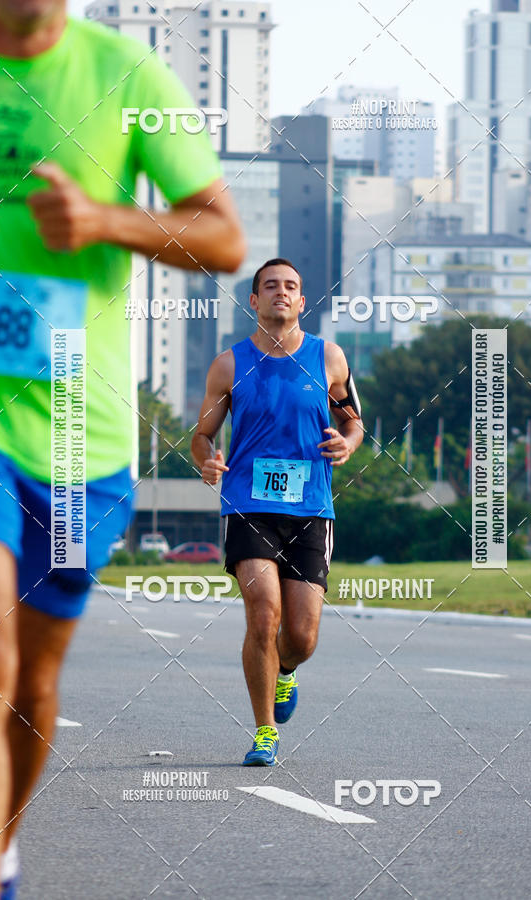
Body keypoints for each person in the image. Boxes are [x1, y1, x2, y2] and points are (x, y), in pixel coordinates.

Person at [0, 2, 245, 896]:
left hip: (76, 437)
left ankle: (1, 847)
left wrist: (105, 220)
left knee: (32, 679)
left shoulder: (130, 75)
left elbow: (224, 238)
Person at [191, 258, 363, 766]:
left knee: (302, 638)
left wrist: (348, 443)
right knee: (264, 613)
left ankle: (285, 669)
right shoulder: (228, 365)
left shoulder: (329, 358)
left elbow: (353, 421)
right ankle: (265, 730)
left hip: (311, 509)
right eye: (270, 286)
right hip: (248, 505)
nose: (280, 292)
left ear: (302, 301)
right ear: (254, 300)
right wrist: (207, 460)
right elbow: (201, 435)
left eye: (290, 286)